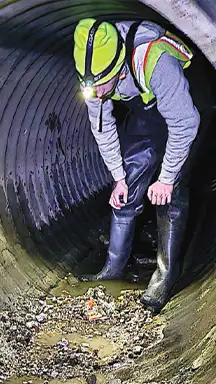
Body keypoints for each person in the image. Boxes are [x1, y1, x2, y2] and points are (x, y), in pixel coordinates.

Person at [73, 18, 201, 311]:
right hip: (147, 109)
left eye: (103, 86)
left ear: (118, 69)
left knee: (171, 193)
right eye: (90, 87)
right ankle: (113, 269)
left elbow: (185, 123)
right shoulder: (93, 72)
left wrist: (166, 177)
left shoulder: (154, 60)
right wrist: (118, 177)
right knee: (128, 185)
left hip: (186, 107)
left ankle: (165, 276)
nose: (98, 94)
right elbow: (102, 128)